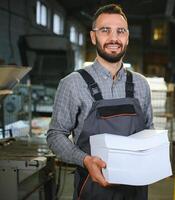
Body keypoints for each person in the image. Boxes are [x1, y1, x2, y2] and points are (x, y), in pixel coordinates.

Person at [47, 4, 153, 200]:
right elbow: (55, 135)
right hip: (92, 189)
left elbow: (148, 131)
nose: (114, 38)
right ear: (93, 36)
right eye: (105, 30)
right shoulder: (72, 84)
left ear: (127, 37)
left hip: (136, 190)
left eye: (120, 31)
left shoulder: (141, 84)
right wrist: (85, 160)